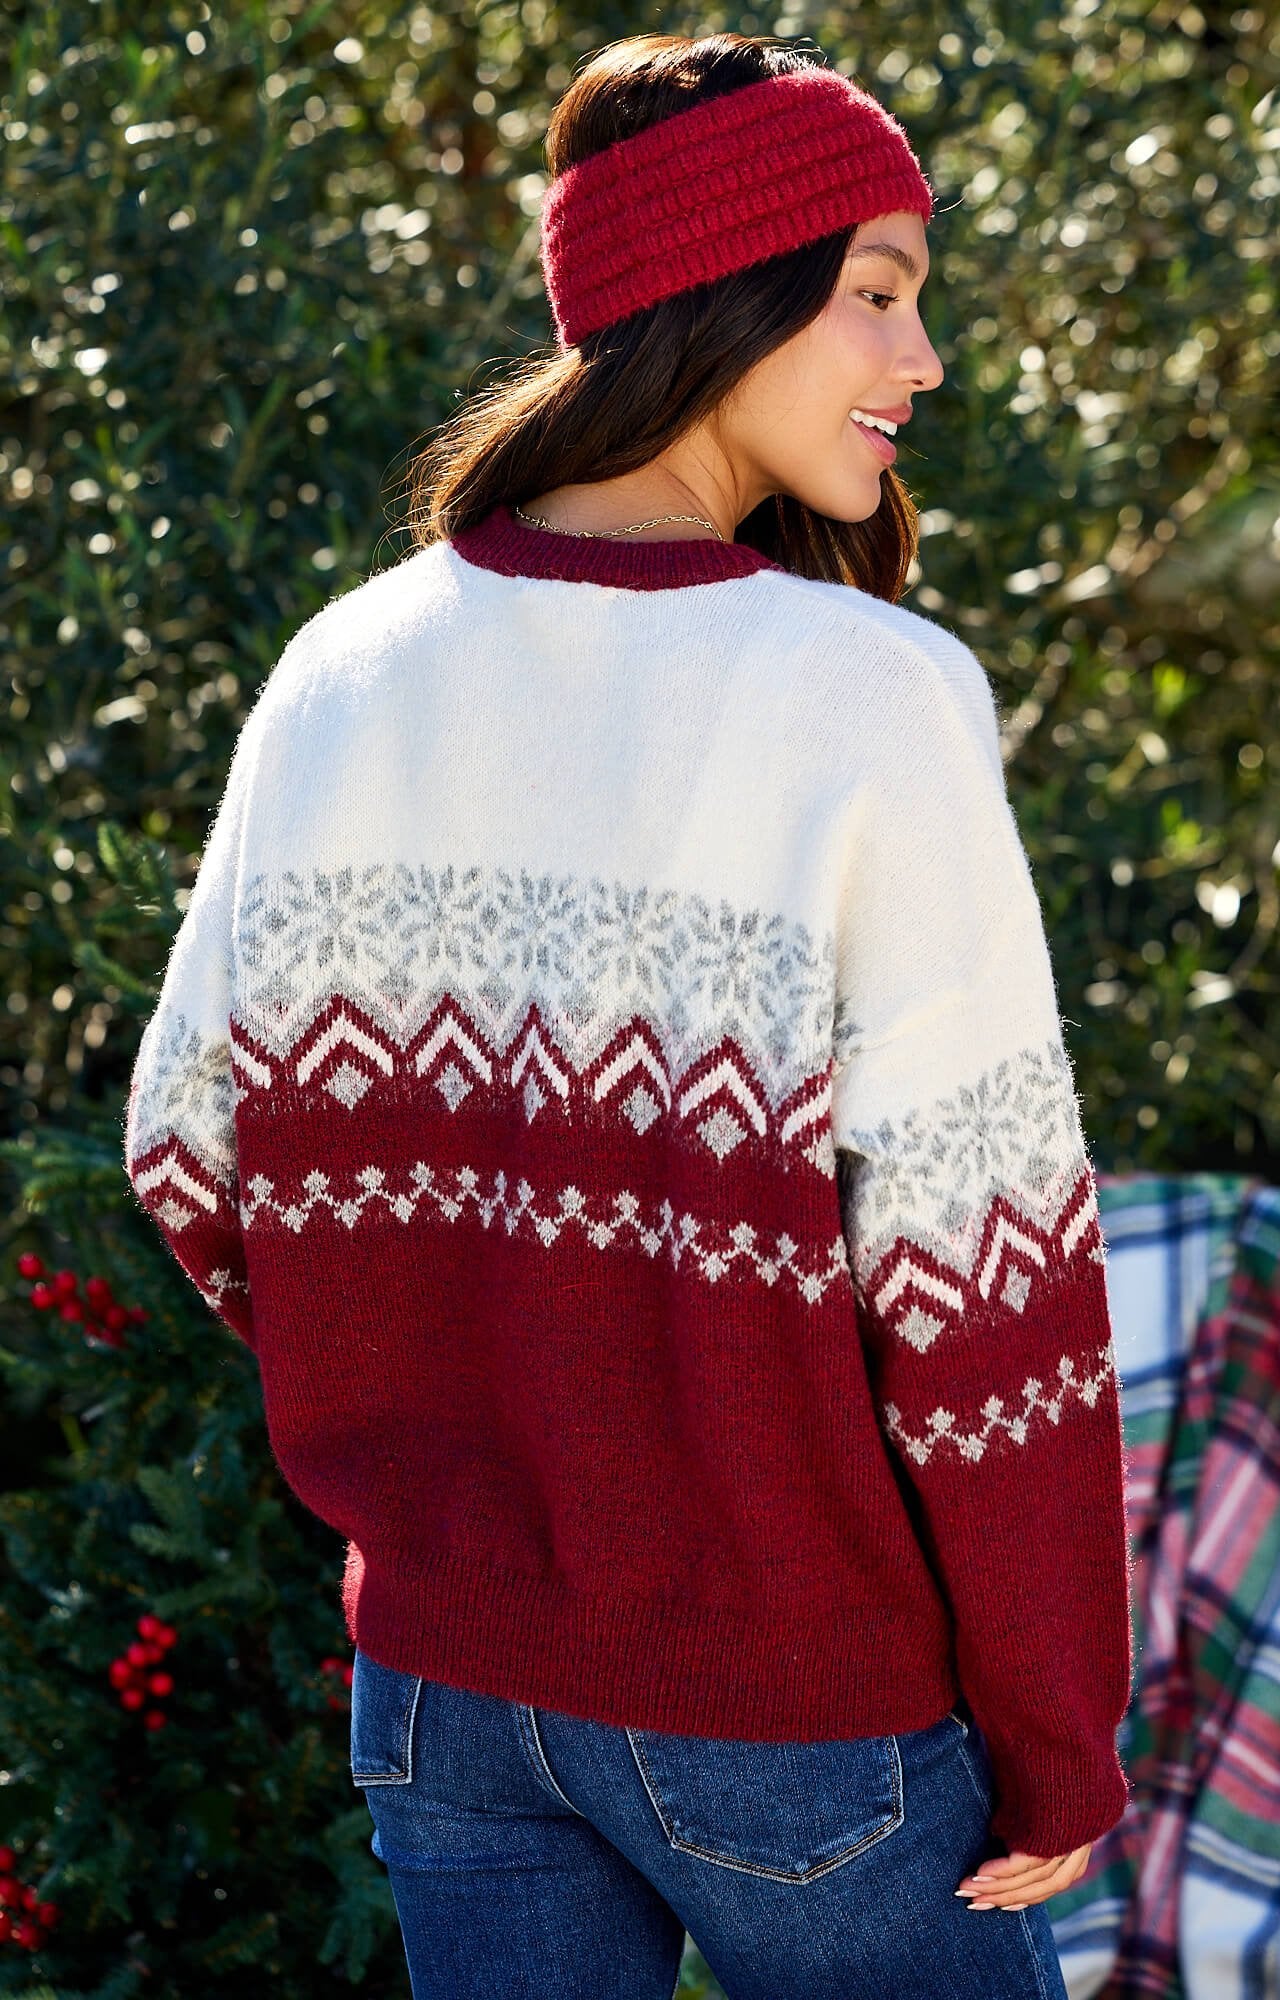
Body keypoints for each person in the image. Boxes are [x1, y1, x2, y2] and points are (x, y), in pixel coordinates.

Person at [123, 29, 1136, 1999]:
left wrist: (454, 1392)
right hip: (793, 1702)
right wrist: (1052, 1726)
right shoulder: (868, 695)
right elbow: (982, 1275)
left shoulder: (348, 668)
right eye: (875, 295)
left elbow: (192, 1158)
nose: (919, 360)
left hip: (445, 1689)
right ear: (721, 296)